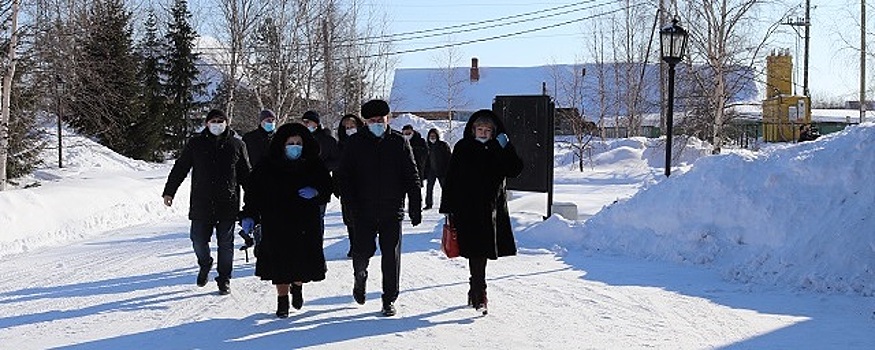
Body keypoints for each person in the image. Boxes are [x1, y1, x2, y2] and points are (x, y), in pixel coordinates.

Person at [336, 99, 422, 317]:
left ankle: (389, 299)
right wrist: (350, 202)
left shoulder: (399, 142)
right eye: (372, 121)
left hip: (392, 209)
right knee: (362, 251)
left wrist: (415, 206)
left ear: (388, 119)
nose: (377, 124)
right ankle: (360, 276)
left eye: (380, 120)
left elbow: (411, 175)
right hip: (362, 210)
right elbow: (343, 175)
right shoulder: (355, 143)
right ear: (366, 122)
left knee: (391, 256)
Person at [239, 123, 333, 318]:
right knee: (279, 263)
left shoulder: (313, 164)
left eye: (298, 143)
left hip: (305, 222)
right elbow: (254, 193)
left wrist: (316, 191)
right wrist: (249, 215)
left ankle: (297, 286)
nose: (295, 146)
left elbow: (326, 187)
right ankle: (282, 300)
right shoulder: (266, 166)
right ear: (282, 144)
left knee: (300, 261)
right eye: (291, 143)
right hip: (276, 221)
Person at [439, 109, 523, 314]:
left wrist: (506, 147)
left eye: (487, 129)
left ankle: (476, 289)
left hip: (491, 209)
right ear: (473, 129)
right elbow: (451, 179)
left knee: (482, 251)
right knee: (475, 251)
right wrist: (448, 207)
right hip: (467, 209)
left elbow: (515, 169)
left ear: (493, 132)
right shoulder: (463, 147)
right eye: (480, 128)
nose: (483, 132)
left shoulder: (498, 148)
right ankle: (479, 292)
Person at [162, 109, 251, 295]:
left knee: (225, 244)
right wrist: (169, 191)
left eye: (221, 121)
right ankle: (205, 263)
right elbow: (181, 168)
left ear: (227, 123)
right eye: (213, 121)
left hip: (227, 202)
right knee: (198, 240)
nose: (217, 124)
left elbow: (246, 176)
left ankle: (224, 278)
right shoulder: (196, 144)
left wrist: (254, 201)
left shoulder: (237, 145)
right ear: (206, 124)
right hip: (202, 202)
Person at [241, 109, 278, 253]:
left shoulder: (279, 138)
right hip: (254, 180)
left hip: (274, 181)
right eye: (268, 120)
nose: (271, 123)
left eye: (273, 120)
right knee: (255, 210)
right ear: (261, 121)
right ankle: (258, 237)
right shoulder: (249, 138)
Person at [301, 110, 340, 242]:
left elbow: (337, 161)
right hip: (301, 184)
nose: (306, 124)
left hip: (320, 184)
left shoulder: (327, 140)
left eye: (308, 122)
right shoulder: (300, 139)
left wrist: (322, 166)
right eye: (304, 122)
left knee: (317, 218)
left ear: (316, 123)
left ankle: (317, 245)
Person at [336, 114, 365, 258]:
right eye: (347, 128)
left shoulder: (365, 143)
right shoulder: (341, 145)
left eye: (352, 127)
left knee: (361, 217)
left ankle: (361, 244)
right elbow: (337, 167)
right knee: (349, 218)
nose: (349, 130)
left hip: (364, 186)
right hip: (346, 187)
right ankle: (353, 244)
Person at [423, 128, 451, 210]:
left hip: (442, 170)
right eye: (431, 136)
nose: (432, 137)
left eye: (434, 136)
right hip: (431, 171)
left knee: (445, 189)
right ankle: (428, 204)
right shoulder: (427, 146)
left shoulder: (443, 145)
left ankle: (446, 204)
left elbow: (449, 158)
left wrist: (448, 170)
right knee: (429, 188)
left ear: (437, 136)